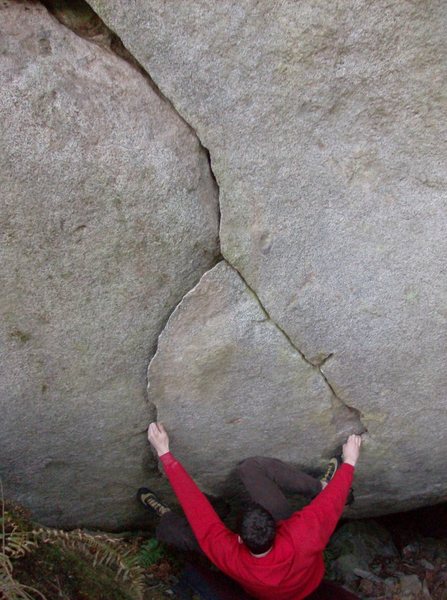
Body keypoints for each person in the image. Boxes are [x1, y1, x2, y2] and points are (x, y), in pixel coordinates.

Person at [138, 422, 362, 599]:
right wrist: (350, 461)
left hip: (253, 581)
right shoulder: (302, 534)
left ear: (238, 539)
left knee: (189, 534)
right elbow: (330, 503)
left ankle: (166, 516)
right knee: (251, 469)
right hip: (307, 582)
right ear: (275, 525)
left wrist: (165, 454)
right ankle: (318, 488)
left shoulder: (232, 555)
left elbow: (197, 509)